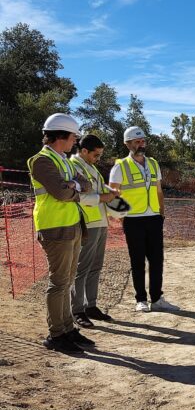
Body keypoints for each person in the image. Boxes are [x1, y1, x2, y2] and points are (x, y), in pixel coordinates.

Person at [27, 113, 96, 354]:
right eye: (73, 136)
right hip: (55, 228)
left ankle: (67, 328)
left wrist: (73, 186)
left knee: (66, 281)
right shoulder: (41, 161)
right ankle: (56, 334)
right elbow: (60, 192)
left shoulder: (64, 160)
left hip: (71, 225)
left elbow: (85, 184)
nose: (75, 140)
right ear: (62, 136)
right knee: (59, 282)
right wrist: (73, 188)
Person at [109, 126, 179, 313]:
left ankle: (157, 299)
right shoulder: (120, 166)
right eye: (137, 142)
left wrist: (161, 214)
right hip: (133, 219)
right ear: (127, 144)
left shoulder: (154, 163)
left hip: (154, 217)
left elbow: (158, 191)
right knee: (137, 261)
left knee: (157, 260)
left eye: (143, 141)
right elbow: (112, 194)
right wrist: (121, 217)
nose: (141, 145)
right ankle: (141, 299)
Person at [70, 134, 119, 327]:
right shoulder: (73, 167)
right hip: (86, 223)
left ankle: (91, 305)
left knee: (95, 266)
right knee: (81, 268)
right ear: (83, 151)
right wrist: (103, 198)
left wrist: (110, 192)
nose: (98, 159)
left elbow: (97, 187)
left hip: (100, 221)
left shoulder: (90, 167)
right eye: (96, 155)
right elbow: (78, 196)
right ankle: (77, 310)